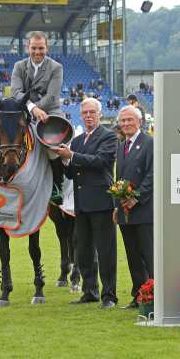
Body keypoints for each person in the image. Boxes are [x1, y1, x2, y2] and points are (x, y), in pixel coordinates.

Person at [51, 98, 118, 309]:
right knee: (84, 251)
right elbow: (72, 172)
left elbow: (101, 162)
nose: (88, 116)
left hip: (101, 201)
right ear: (81, 115)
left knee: (105, 251)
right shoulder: (78, 140)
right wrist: (63, 160)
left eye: (92, 112)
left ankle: (109, 295)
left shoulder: (109, 137)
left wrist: (72, 155)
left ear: (99, 114)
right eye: (85, 113)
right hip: (81, 204)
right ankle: (90, 291)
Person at [11, 30, 65, 202]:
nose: (37, 52)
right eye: (34, 48)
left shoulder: (56, 67)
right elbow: (16, 92)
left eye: (41, 48)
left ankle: (57, 185)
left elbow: (52, 97)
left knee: (53, 147)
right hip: (26, 111)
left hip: (50, 113)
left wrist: (36, 109)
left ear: (46, 48)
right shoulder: (19, 66)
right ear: (28, 47)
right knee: (2, 136)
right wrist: (32, 108)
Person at [113, 105, 153, 309]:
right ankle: (138, 295)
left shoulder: (149, 143)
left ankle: (154, 297)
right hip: (125, 213)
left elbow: (152, 175)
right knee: (133, 257)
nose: (126, 123)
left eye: (130, 120)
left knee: (149, 256)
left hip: (144, 210)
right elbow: (119, 179)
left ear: (140, 122)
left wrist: (136, 198)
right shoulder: (121, 145)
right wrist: (116, 206)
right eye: (123, 120)